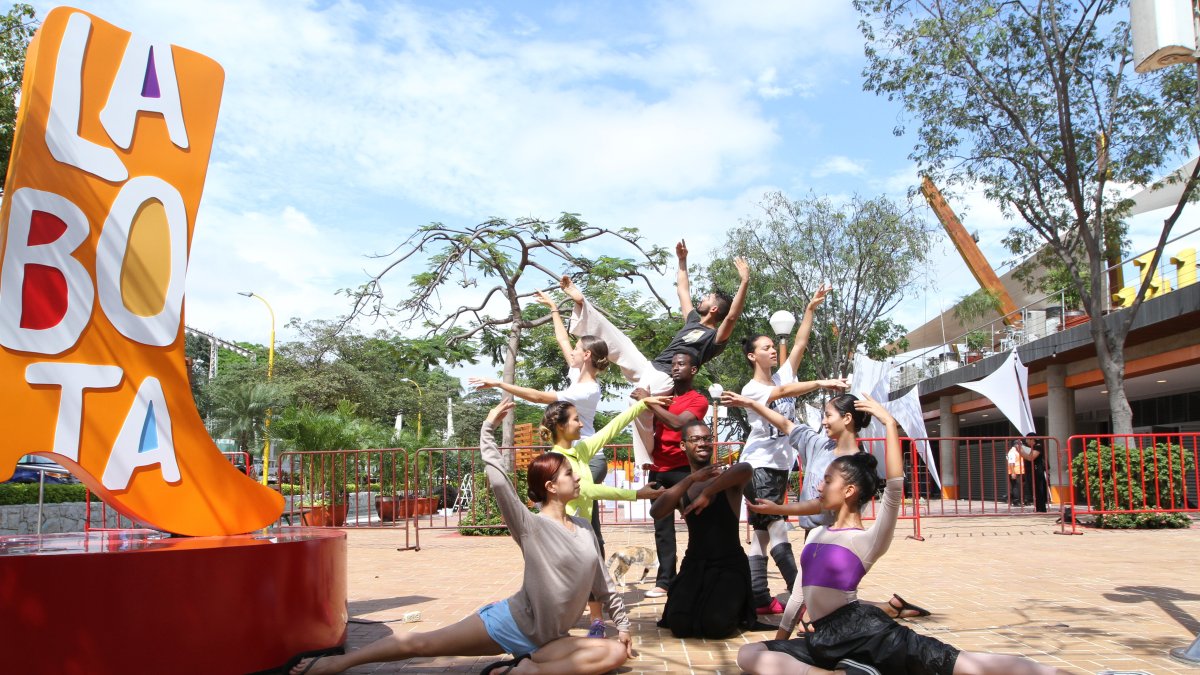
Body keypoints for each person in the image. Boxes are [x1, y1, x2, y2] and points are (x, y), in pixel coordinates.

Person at [290, 399, 634, 675]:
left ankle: (526, 669)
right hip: (511, 623)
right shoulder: (531, 525)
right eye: (570, 474)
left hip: (550, 639)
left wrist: (624, 626)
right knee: (422, 645)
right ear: (550, 486)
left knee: (616, 653)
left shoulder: (586, 529)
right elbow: (500, 483)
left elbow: (604, 584)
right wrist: (487, 429)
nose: (578, 478)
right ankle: (339, 663)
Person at [737, 395, 1071, 675]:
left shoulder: (866, 539)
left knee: (963, 664)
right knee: (749, 655)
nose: (818, 484)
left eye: (827, 479)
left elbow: (894, 488)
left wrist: (890, 425)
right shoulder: (817, 534)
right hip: (823, 640)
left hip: (867, 633)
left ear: (850, 490)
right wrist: (781, 640)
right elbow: (797, 597)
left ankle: (1050, 672)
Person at [468, 289, 622, 625]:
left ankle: (597, 615)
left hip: (586, 459)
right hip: (568, 454)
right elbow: (563, 343)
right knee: (559, 526)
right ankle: (569, 594)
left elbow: (540, 396)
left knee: (586, 530)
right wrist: (554, 310)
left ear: (588, 358)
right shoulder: (577, 374)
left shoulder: (586, 389)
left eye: (579, 349)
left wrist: (499, 383)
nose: (574, 350)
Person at [724, 390, 930, 628]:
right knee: (822, 604)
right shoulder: (818, 445)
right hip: (813, 536)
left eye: (828, 414)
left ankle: (885, 610)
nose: (823, 420)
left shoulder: (859, 467)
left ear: (847, 419)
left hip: (839, 543)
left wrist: (890, 424)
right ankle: (889, 607)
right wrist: (751, 402)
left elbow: (829, 507)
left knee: (821, 609)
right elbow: (784, 423)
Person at [561, 239, 750, 467]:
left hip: (665, 375)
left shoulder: (714, 339)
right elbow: (682, 290)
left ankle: (645, 461)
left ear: (714, 309)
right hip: (651, 366)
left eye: (707, 298)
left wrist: (744, 281)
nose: (702, 298)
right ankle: (583, 305)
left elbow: (731, 317)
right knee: (621, 341)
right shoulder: (692, 321)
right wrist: (682, 260)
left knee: (637, 406)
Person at [737, 284, 831, 614]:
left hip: (777, 467)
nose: (772, 351)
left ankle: (759, 597)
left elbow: (800, 344)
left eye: (772, 347)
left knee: (762, 535)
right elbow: (786, 391)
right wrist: (820, 383)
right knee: (777, 528)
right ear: (753, 356)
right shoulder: (752, 389)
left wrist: (810, 310)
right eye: (766, 347)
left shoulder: (780, 376)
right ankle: (799, 593)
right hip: (758, 465)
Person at [537, 394, 667, 630]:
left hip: (582, 529)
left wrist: (641, 405)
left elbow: (610, 429)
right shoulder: (555, 461)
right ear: (560, 426)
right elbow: (588, 490)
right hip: (563, 533)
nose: (581, 424)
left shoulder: (580, 452)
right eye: (576, 420)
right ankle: (545, 626)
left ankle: (596, 619)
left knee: (594, 571)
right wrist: (636, 494)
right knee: (565, 581)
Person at [648, 418, 757, 638]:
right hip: (695, 565)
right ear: (683, 445)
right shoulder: (684, 487)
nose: (702, 443)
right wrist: (690, 480)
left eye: (707, 439)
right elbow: (657, 511)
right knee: (679, 625)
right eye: (695, 439)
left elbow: (746, 469)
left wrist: (708, 492)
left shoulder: (727, 479)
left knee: (716, 625)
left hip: (729, 565)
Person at [634, 349, 710, 598]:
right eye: (673, 364)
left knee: (697, 525)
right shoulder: (661, 397)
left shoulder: (698, 400)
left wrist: (650, 403)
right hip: (658, 470)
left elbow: (679, 424)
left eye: (681, 364)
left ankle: (702, 573)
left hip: (684, 471)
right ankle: (665, 581)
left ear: (693, 370)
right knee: (662, 529)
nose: (675, 367)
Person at [1012, 433, 1048, 513]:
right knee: (1034, 490)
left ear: (1032, 439)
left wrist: (1020, 450)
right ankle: (1037, 508)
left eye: (1028, 439)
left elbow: (1031, 457)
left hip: (1037, 471)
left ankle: (1041, 509)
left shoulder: (1038, 446)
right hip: (1030, 471)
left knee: (1039, 490)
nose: (1026, 441)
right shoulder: (1029, 447)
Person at [1006, 439, 1026, 506]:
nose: (1021, 446)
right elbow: (1011, 463)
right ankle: (1016, 501)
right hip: (1015, 472)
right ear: (1016, 445)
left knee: (1019, 487)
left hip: (1019, 471)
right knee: (1016, 487)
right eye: (1020, 445)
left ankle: (1019, 500)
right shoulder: (1012, 452)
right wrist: (1013, 473)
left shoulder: (1018, 451)